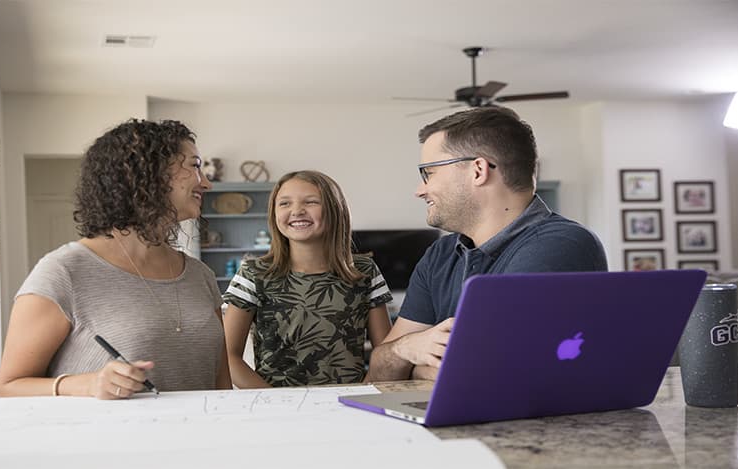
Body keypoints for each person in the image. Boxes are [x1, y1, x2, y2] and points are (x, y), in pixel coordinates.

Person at [0, 119, 231, 399]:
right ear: (148, 173)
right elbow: (7, 387)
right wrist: (87, 384)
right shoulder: (63, 272)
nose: (206, 183)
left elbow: (221, 388)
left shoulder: (199, 275)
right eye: (194, 165)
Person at [367, 107, 608, 382]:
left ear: (478, 170)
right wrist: (406, 348)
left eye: (429, 173)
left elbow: (487, 375)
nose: (420, 190)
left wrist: (413, 364)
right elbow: (380, 370)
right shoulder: (440, 255)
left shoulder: (560, 245)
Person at [222, 170, 393, 387]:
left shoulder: (364, 271)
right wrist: (275, 402)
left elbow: (386, 353)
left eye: (311, 202)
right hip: (277, 410)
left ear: (334, 210)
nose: (297, 211)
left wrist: (363, 393)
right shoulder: (253, 273)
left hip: (349, 406)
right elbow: (228, 356)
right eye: (284, 203)